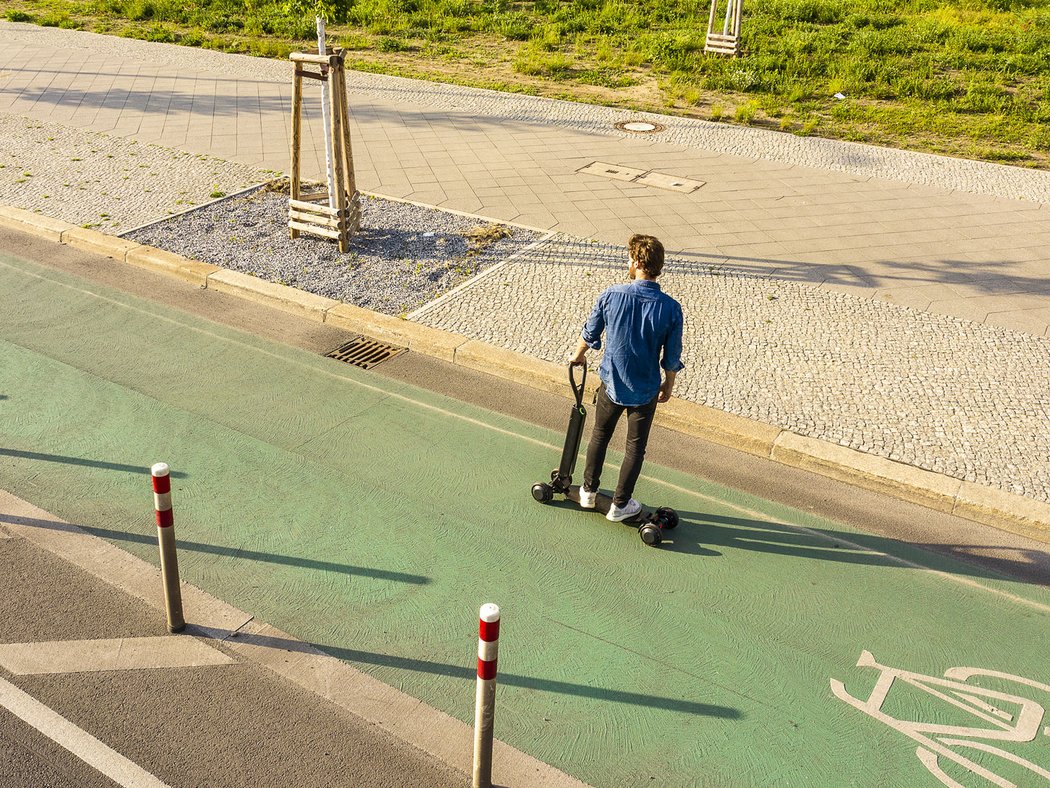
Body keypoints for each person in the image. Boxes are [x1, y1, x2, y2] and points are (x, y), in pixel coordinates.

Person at [569, 234, 685, 522]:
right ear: (658, 266)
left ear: (635, 262)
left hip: (612, 383)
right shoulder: (670, 308)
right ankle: (620, 505)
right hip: (644, 390)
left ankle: (587, 491)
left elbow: (591, 332)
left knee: (600, 436)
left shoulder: (611, 295)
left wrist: (578, 355)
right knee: (635, 448)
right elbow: (671, 356)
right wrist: (668, 385)